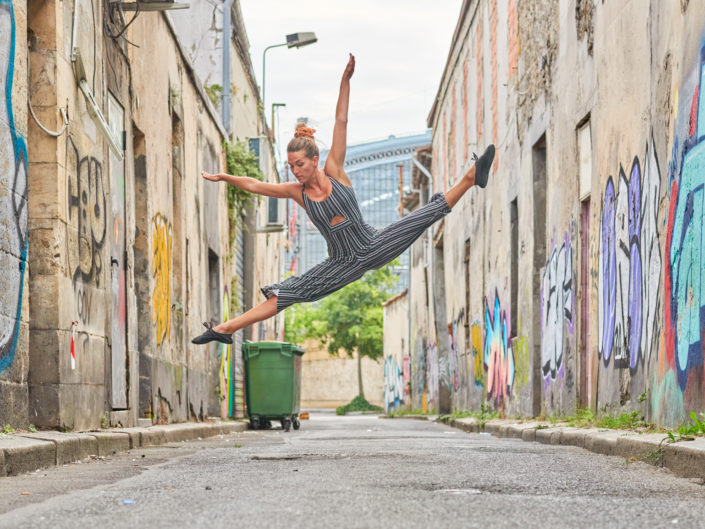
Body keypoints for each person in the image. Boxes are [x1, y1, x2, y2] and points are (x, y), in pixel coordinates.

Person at [192, 54, 495, 345]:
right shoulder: (297, 193)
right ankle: (224, 328)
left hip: (373, 245)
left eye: (300, 164)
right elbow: (256, 185)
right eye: (291, 166)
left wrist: (345, 81)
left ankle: (470, 178)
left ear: (315, 159)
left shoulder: (334, 170)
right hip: (340, 264)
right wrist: (225, 177)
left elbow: (341, 120)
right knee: (287, 294)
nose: (295, 171)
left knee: (421, 217)